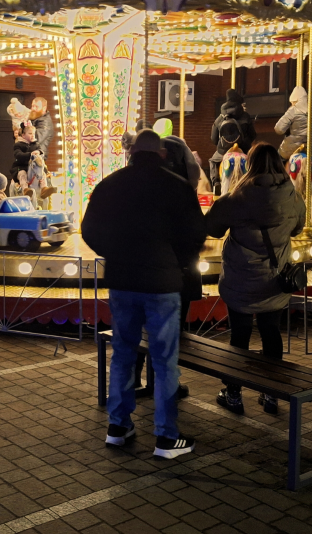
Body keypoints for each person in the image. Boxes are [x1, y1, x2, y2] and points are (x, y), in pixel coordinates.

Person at [82, 129, 207, 459]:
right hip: (162, 283)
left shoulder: (110, 185)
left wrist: (115, 252)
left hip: (123, 280)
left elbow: (90, 229)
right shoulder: (177, 187)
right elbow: (195, 233)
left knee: (123, 352)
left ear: (131, 153)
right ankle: (166, 437)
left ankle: (118, 426)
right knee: (165, 361)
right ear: (162, 154)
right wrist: (175, 260)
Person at [205, 143, 305, 415]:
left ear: (251, 165)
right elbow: (297, 228)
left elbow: (212, 228)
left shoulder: (236, 197)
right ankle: (271, 393)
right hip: (274, 279)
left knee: (240, 335)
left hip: (241, 279)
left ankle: (234, 393)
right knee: (271, 332)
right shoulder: (293, 198)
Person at [209, 89, 256, 194]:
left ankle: (216, 182)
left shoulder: (219, 118)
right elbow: (253, 135)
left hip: (224, 150)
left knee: (213, 161)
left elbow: (213, 139)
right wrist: (244, 143)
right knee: (255, 161)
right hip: (243, 148)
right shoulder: (245, 116)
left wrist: (222, 146)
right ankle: (255, 183)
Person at [274, 85, 312, 160]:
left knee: (279, 158)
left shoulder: (293, 110)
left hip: (294, 146)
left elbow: (279, 129)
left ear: (295, 100)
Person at [10, 121, 40, 189]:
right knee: (22, 174)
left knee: (42, 173)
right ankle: (25, 189)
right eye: (30, 133)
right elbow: (18, 154)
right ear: (23, 135)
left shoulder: (36, 144)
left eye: (33, 134)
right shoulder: (18, 145)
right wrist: (30, 154)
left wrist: (39, 152)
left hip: (34, 166)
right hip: (22, 166)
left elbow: (41, 151)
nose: (32, 135)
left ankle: (44, 188)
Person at [29, 97, 54, 162]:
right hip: (30, 154)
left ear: (44, 108)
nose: (33, 109)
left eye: (36, 107)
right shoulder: (34, 119)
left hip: (38, 156)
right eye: (32, 106)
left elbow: (36, 138)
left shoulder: (45, 122)